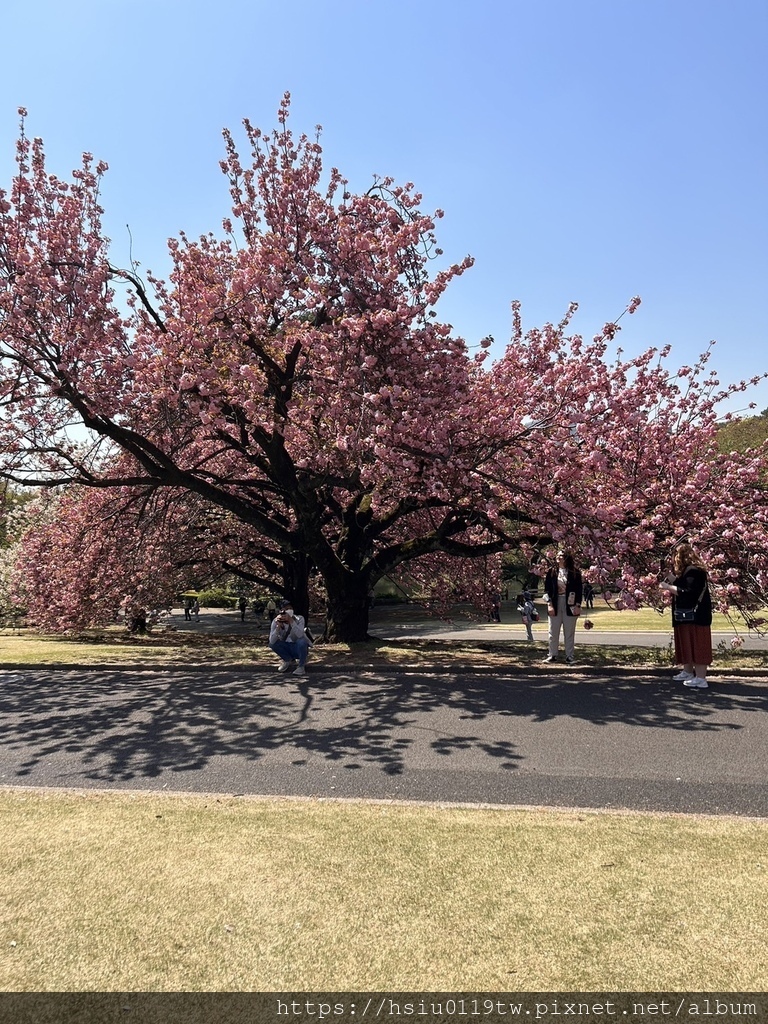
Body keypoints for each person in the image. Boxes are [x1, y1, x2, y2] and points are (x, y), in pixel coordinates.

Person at [659, 542, 712, 689]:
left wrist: (667, 587)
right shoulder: (690, 571)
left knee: (698, 645)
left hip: (696, 616)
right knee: (688, 643)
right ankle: (688, 671)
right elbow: (682, 584)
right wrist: (669, 577)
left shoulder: (694, 571)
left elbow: (687, 591)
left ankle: (701, 678)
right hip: (689, 615)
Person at [543, 549, 583, 664]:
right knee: (552, 631)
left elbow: (579, 591)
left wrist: (578, 605)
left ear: (566, 558)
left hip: (569, 604)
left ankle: (569, 656)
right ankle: (552, 655)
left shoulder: (575, 572)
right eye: (558, 555)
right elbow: (546, 591)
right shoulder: (552, 572)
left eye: (561, 556)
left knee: (569, 632)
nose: (558, 557)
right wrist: (549, 604)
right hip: (555, 603)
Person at [269, 601, 311, 677]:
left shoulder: (299, 619)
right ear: (281, 611)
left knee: (302, 641)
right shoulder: (276, 621)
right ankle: (287, 660)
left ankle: (301, 666)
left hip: (298, 647)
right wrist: (278, 627)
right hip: (286, 646)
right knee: (273, 644)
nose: (289, 610)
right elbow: (272, 641)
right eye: (286, 608)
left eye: (290, 608)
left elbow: (300, 635)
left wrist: (291, 621)